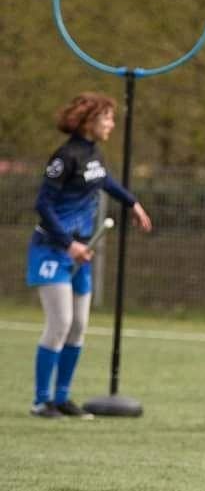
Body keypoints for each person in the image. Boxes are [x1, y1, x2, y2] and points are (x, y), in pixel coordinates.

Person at [26, 92, 152, 418]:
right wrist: (69, 244)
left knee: (79, 326)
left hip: (82, 250)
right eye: (107, 118)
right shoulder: (64, 157)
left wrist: (132, 204)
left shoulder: (93, 154)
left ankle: (63, 397)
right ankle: (42, 401)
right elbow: (43, 204)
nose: (111, 123)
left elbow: (104, 180)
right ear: (89, 121)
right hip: (54, 248)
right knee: (60, 323)